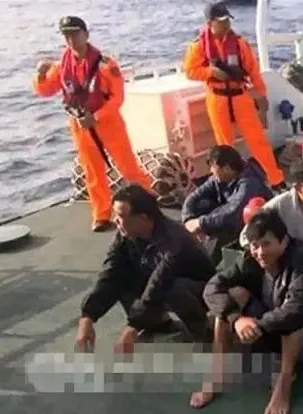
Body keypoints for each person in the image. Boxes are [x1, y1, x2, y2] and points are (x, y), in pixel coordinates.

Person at [192, 209, 303, 414]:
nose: (260, 252)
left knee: (294, 318)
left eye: (267, 244)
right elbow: (212, 287)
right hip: (268, 329)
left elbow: (298, 309)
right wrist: (236, 319)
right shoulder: (250, 258)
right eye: (255, 245)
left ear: (284, 241)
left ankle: (284, 383)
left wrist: (257, 325)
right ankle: (217, 373)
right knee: (231, 297)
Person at [33, 16, 154, 232]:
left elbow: (117, 98)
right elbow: (45, 90)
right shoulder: (61, 67)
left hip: (108, 123)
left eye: (75, 33)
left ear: (86, 35)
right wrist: (40, 75)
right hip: (80, 125)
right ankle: (102, 214)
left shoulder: (106, 65)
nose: (71, 39)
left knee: (129, 167)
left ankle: (148, 205)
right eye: (66, 35)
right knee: (93, 171)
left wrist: (96, 116)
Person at [75, 185, 215, 354]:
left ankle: (203, 333)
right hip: (157, 282)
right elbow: (110, 272)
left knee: (176, 289)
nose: (115, 221)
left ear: (143, 217)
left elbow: (159, 282)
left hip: (198, 290)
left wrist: (132, 327)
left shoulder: (175, 240)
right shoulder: (126, 235)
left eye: (120, 216)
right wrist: (87, 316)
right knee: (121, 276)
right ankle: (156, 323)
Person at [182, 2, 285, 188]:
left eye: (228, 20)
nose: (226, 24)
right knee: (225, 146)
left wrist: (261, 96)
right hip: (217, 97)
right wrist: (211, 72)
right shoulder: (198, 46)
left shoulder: (239, 43)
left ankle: (275, 179)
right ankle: (232, 184)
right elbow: (190, 71)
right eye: (221, 21)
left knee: (258, 140)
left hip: (240, 96)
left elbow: (253, 72)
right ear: (210, 23)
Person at [182, 145, 274, 264]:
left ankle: (210, 263)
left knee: (223, 226)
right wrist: (188, 219)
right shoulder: (220, 178)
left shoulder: (249, 184)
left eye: (213, 167)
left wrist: (200, 223)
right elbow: (193, 197)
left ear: (226, 168)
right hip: (228, 217)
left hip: (252, 227)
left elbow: (233, 214)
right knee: (201, 205)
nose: (211, 171)